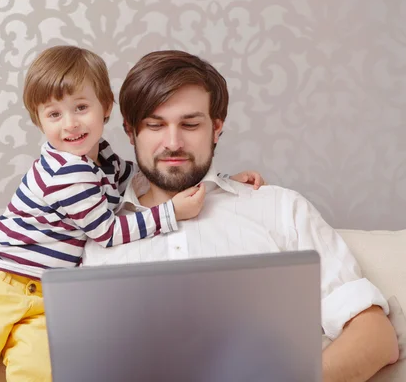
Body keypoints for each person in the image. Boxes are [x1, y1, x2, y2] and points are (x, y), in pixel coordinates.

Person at [0, 45, 264, 382]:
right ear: (38, 121)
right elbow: (107, 233)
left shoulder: (103, 161)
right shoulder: (65, 171)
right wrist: (171, 213)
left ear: (106, 106)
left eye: (81, 107)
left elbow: (155, 172)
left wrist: (219, 182)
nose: (71, 124)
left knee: (41, 370)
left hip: (46, 297)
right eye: (54, 115)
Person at [83, 50, 400, 382]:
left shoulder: (278, 210)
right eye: (155, 125)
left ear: (216, 128)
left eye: (190, 124)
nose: (173, 142)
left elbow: (375, 337)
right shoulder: (98, 236)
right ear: (132, 132)